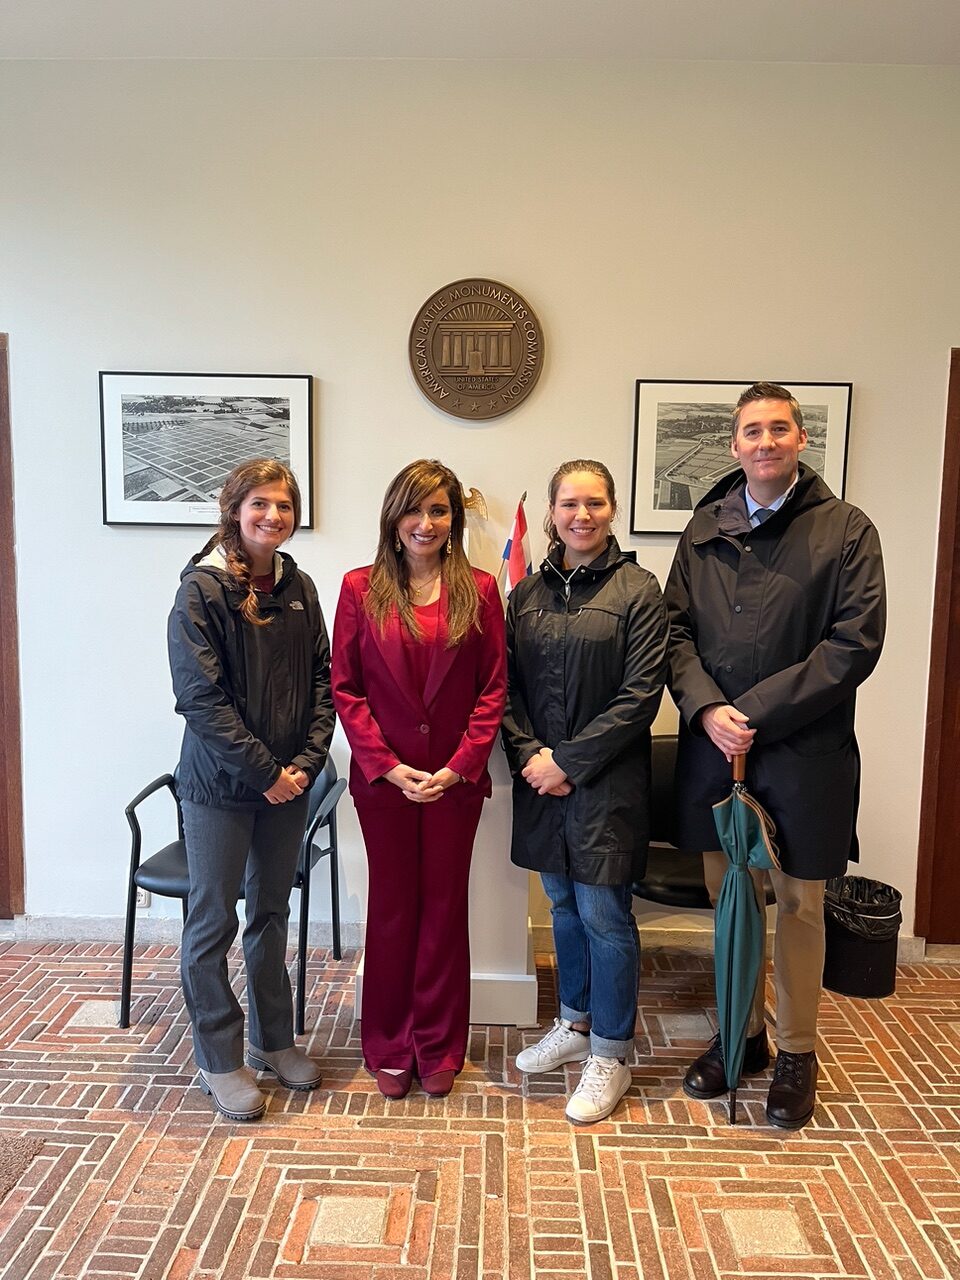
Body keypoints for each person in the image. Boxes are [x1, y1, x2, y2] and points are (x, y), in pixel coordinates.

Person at [665, 382, 886, 1129]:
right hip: (715, 751)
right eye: (751, 430)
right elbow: (673, 634)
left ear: (799, 442)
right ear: (734, 446)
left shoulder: (846, 529)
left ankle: (796, 1053)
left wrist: (750, 713)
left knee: (797, 906)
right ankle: (743, 1036)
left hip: (805, 753)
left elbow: (853, 645)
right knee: (732, 900)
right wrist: (705, 709)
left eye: (778, 429)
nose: (764, 441)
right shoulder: (701, 532)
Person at [331, 459, 506, 1100]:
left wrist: (460, 767)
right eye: (415, 509)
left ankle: (438, 1044)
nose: (426, 523)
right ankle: (386, 1042)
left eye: (438, 511)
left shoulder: (481, 590)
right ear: (393, 517)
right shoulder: (358, 588)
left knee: (443, 910)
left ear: (453, 519)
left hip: (455, 786)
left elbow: (493, 690)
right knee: (393, 911)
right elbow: (345, 689)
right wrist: (387, 765)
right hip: (385, 785)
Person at [167, 458, 334, 1121]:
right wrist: (266, 773)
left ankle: (272, 1041)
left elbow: (324, 680)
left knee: (270, 915)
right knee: (213, 924)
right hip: (219, 791)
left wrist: (305, 764)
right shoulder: (200, 592)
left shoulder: (301, 587)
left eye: (284, 506)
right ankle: (219, 1057)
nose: (273, 517)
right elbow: (200, 701)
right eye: (260, 504)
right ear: (234, 508)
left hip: (289, 785)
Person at [502, 459, 668, 1124]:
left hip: (605, 786)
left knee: (605, 916)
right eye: (569, 503)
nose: (581, 515)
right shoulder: (527, 595)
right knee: (562, 907)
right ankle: (573, 1024)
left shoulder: (638, 590)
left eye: (594, 503)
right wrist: (528, 755)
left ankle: (612, 1051)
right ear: (551, 513)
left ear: (612, 509)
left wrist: (567, 761)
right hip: (541, 780)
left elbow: (640, 697)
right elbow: (505, 688)